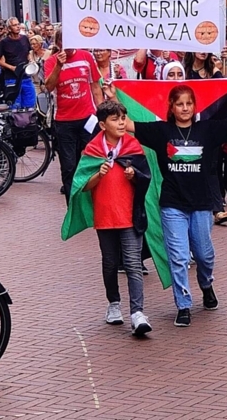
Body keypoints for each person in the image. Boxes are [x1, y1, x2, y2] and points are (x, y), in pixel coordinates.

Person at [126, 77, 227, 327]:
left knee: (204, 255)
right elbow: (128, 124)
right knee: (178, 257)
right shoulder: (161, 131)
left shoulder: (207, 129)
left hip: (201, 204)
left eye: (189, 104)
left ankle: (206, 284)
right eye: (179, 104)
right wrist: (111, 95)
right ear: (171, 107)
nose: (185, 108)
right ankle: (183, 305)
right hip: (172, 205)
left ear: (195, 106)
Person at [74, 100, 152, 335]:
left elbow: (145, 177)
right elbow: (82, 185)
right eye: (115, 119)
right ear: (102, 124)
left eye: (123, 118)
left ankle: (137, 313)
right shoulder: (93, 149)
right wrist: (98, 175)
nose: (121, 123)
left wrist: (133, 174)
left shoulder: (132, 146)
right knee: (110, 263)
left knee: (133, 263)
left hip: (130, 216)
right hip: (105, 216)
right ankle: (114, 304)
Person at [46, 30, 102, 203]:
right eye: (64, 41)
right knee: (68, 166)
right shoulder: (51, 61)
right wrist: (58, 66)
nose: (68, 45)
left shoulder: (86, 57)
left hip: (88, 119)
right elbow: (49, 86)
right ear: (58, 43)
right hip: (64, 121)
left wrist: (102, 114)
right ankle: (72, 205)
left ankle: (93, 201)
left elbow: (95, 87)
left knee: (92, 161)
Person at [0, 18, 32, 94]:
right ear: (9, 28)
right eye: (14, 25)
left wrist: (31, 59)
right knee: (15, 100)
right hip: (11, 77)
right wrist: (11, 67)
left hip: (26, 76)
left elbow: (29, 52)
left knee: (30, 100)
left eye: (18, 24)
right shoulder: (4, 42)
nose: (18, 26)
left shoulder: (25, 38)